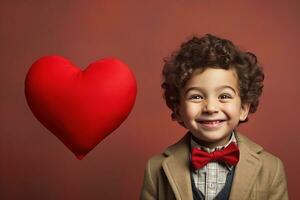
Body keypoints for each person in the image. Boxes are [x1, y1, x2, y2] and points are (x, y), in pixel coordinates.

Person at [140, 34, 288, 200]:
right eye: (196, 96)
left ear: (244, 108)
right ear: (179, 109)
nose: (210, 108)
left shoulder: (271, 168)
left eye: (224, 96)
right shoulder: (155, 168)